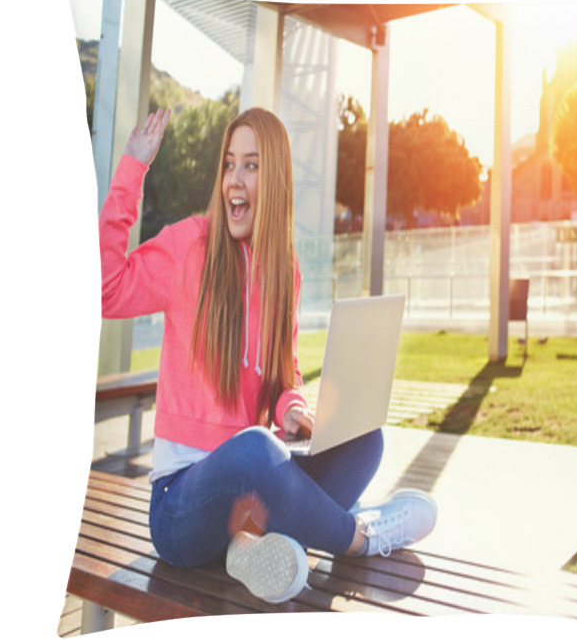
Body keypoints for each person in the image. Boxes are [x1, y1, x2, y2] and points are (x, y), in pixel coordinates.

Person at [99, 106, 437, 604]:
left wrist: (293, 410)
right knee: (257, 450)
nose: (235, 178)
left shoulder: (285, 272)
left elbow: (284, 378)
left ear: (275, 178)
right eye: (229, 164)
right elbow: (104, 289)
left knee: (365, 439)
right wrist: (132, 170)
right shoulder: (187, 247)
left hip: (248, 499)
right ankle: (362, 538)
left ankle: (250, 549)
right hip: (180, 510)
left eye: (251, 165)